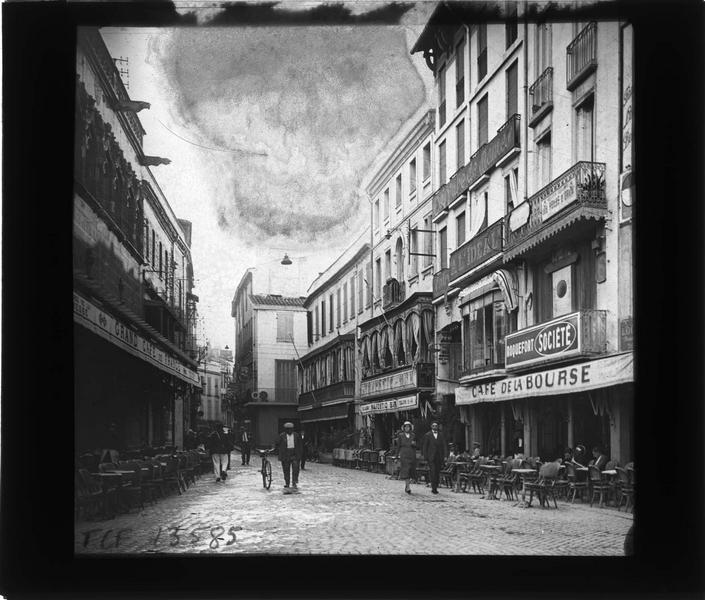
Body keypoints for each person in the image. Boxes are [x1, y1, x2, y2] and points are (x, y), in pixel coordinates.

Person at [421, 421, 448, 495]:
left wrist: (445, 456)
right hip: (431, 457)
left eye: (436, 426)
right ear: (431, 427)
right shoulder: (428, 435)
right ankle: (434, 488)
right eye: (433, 426)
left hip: (439, 457)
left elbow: (444, 446)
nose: (435, 427)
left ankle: (436, 485)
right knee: (433, 472)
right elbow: (425, 447)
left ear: (438, 427)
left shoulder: (441, 435)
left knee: (437, 472)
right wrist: (425, 457)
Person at [277, 422, 303, 492]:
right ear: (285, 430)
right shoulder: (282, 436)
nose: (289, 431)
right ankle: (287, 483)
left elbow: (300, 445)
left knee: (295, 469)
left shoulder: (296, 435)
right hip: (285, 455)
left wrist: (299, 454)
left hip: (294, 454)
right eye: (288, 429)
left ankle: (294, 483)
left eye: (291, 429)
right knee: (286, 469)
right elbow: (278, 444)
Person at [396, 421, 417, 494]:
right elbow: (398, 446)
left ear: (410, 427)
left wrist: (414, 444)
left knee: (410, 471)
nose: (407, 428)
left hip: (411, 454)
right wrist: (396, 456)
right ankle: (408, 487)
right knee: (406, 470)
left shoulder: (413, 435)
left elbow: (416, 446)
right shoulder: (401, 435)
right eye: (406, 427)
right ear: (403, 428)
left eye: (408, 426)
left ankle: (407, 485)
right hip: (404, 454)